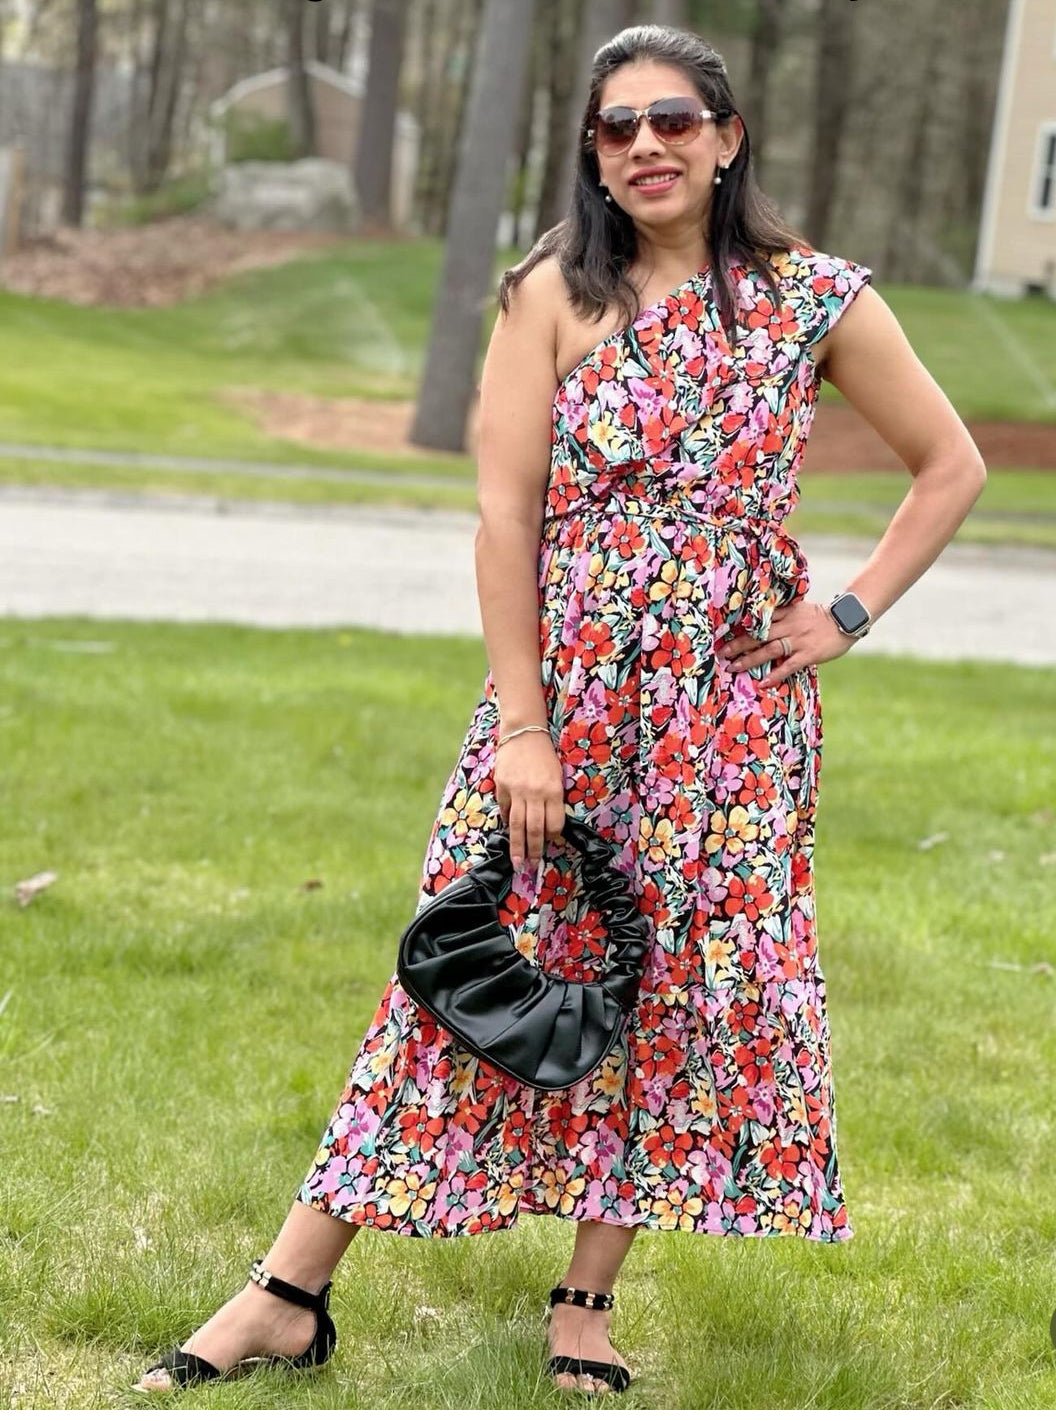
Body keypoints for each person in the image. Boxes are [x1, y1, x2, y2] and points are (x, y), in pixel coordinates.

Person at [133, 22, 987, 1399]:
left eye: (671, 119)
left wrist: (846, 614)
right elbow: (500, 514)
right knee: (459, 968)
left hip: (728, 723)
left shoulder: (809, 297)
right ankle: (286, 1290)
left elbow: (947, 464)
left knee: (673, 991)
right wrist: (524, 726)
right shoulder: (550, 291)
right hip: (565, 702)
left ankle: (584, 1301)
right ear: (590, 150)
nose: (644, 144)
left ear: (726, 137)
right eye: (614, 127)